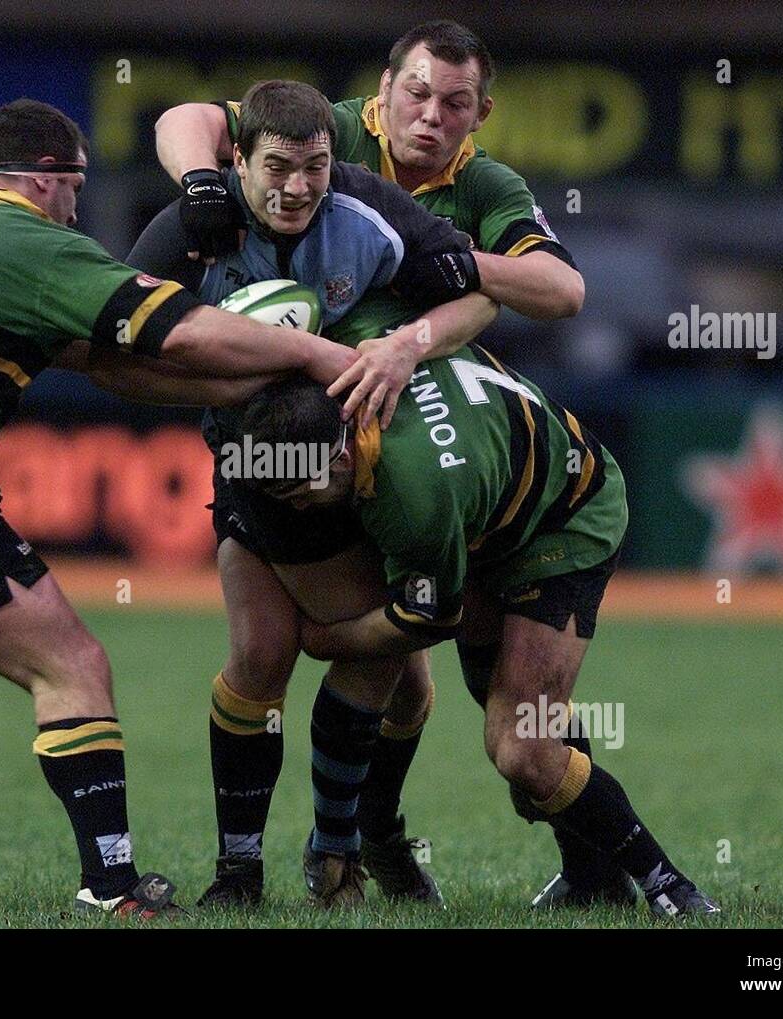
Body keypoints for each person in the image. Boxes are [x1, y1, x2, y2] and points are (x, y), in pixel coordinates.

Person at [0, 98, 357, 918]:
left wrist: (256, 381)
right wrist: (315, 352)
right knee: (75, 667)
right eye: (74, 186)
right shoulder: (29, 241)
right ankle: (113, 885)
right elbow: (180, 331)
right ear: (42, 180)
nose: (77, 207)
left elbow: (108, 361)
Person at [154, 20, 621, 907]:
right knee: (278, 655)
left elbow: (562, 290)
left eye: (455, 103)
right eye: (416, 92)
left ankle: (396, 843)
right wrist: (202, 182)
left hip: (411, 455)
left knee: (453, 680)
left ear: (482, 112)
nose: (431, 115)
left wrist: (443, 271)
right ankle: (284, 866)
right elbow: (185, 117)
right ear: (382, 89)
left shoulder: (484, 184)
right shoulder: (323, 135)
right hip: (286, 444)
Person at [126, 78, 500, 906]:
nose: (298, 187)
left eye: (316, 166)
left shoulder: (366, 211)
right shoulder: (191, 230)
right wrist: (234, 379)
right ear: (240, 160)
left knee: (405, 680)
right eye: (278, 168)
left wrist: (412, 342)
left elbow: (481, 291)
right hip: (260, 465)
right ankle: (252, 872)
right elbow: (114, 357)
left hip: (367, 464)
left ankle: (367, 843)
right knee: (274, 655)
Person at [234, 352, 721, 918]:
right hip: (498, 506)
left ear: (340, 457)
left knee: (522, 748)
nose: (297, 511)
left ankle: (672, 887)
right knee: (499, 695)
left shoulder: (411, 495)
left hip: (565, 522)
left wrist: (325, 640)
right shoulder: (370, 356)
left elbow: (428, 617)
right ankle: (593, 879)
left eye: (298, 495)